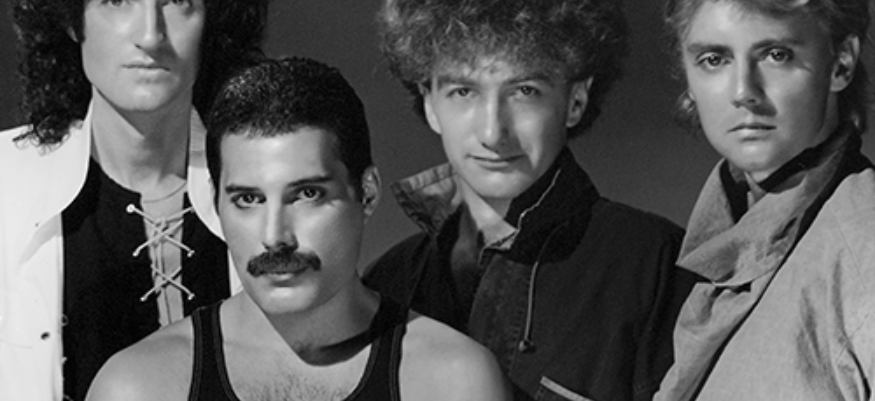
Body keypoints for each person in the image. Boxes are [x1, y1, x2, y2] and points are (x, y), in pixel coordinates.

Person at [85, 56, 509, 401]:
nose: (275, 236)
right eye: (248, 199)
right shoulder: (141, 387)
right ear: (216, 203)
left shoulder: (452, 382)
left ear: (367, 193)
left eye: (306, 194)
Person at [363, 0, 700, 400]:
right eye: (463, 91)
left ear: (575, 101)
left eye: (524, 91)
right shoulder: (389, 283)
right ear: (429, 104)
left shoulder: (656, 267)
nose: (493, 132)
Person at [0, 1, 266, 399]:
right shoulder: (7, 183)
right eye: (118, 1)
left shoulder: (271, 181)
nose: (150, 36)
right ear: (72, 20)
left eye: (177, 2)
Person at [654, 0, 874, 399]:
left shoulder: (864, 244)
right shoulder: (718, 245)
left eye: (776, 54)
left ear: (841, 63)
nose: (744, 92)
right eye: (714, 59)